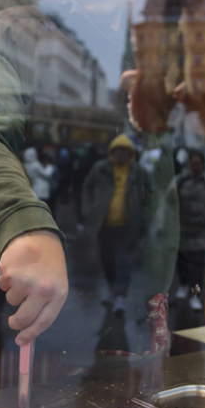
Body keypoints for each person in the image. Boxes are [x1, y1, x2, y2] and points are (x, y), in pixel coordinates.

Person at [0, 0, 172, 347]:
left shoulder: (150, 56)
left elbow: (163, 180)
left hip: (131, 307)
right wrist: (24, 227)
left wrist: (165, 277)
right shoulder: (12, 35)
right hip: (38, 305)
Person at [82, 134, 151, 314]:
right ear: (111, 152)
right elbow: (86, 188)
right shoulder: (100, 169)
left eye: (124, 151)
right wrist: (89, 210)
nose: (120, 154)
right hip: (104, 225)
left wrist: (144, 218)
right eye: (117, 150)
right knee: (107, 260)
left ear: (131, 153)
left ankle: (120, 297)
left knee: (124, 262)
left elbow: (148, 198)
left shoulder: (140, 173)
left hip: (129, 225)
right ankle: (111, 288)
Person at [174, 150, 205, 311]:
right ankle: (183, 285)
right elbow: (167, 201)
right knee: (181, 262)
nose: (196, 166)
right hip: (182, 231)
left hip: (201, 233)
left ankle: (195, 295)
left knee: (197, 267)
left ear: (203, 165)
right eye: (193, 163)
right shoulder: (180, 181)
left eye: (199, 163)